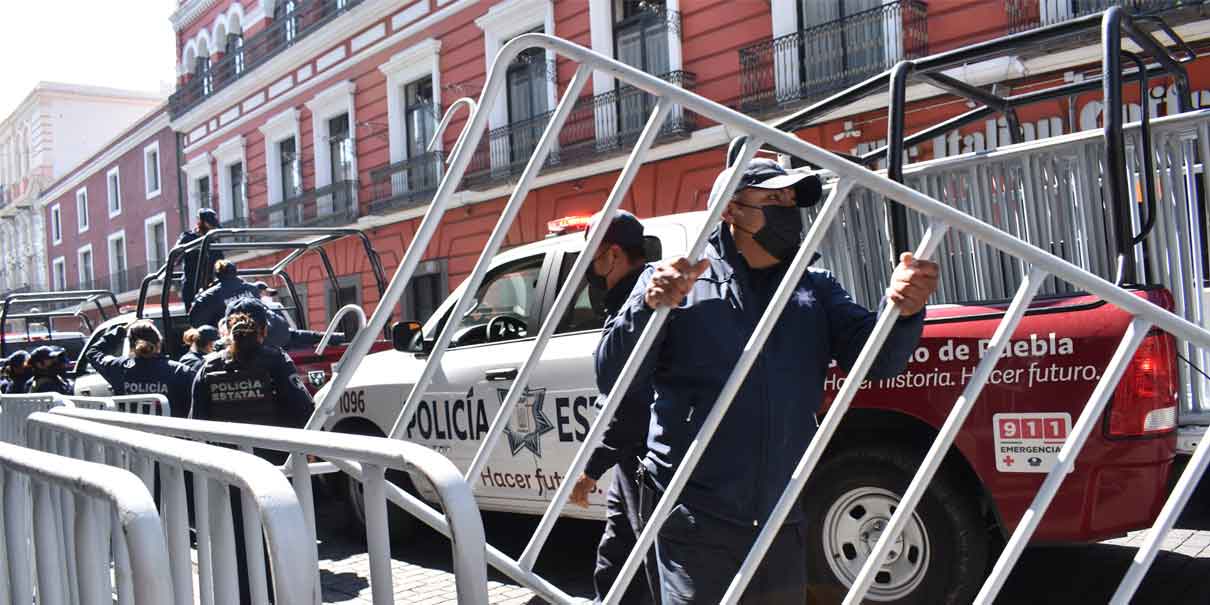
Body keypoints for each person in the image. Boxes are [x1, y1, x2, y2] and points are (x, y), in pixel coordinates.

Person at [596, 158, 940, 604]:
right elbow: (611, 376)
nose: (786, 209)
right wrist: (647, 306)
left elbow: (877, 360)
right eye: (772, 198)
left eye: (791, 200)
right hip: (695, 522)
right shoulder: (677, 283)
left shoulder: (815, 288)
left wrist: (904, 313)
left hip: (781, 521)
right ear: (730, 210)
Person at [190, 298, 315, 604]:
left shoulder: (208, 366)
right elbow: (304, 409)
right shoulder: (277, 360)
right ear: (264, 330)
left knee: (237, 545)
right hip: (274, 471)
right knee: (278, 541)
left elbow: (196, 424)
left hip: (228, 474)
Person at [567, 210, 661, 605]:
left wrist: (591, 469)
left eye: (593, 256)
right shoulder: (630, 295)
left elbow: (630, 401)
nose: (590, 267)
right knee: (617, 562)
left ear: (614, 254)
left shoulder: (641, 301)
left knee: (652, 566)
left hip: (648, 460)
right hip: (631, 464)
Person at [84, 320, 197, 418]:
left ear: (131, 346)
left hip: (131, 436)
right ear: (159, 343)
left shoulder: (118, 367)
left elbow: (93, 352)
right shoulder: (181, 371)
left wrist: (121, 330)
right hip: (172, 438)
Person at [177, 208, 225, 310]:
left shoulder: (214, 243)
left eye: (213, 225)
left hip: (211, 288)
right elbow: (175, 258)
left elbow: (221, 264)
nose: (212, 228)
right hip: (192, 288)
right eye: (209, 224)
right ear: (201, 222)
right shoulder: (187, 238)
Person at [188, 260, 259, 329]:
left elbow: (195, 322)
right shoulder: (253, 289)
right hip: (253, 335)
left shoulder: (209, 295)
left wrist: (198, 297)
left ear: (217, 274)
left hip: (226, 337)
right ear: (235, 271)